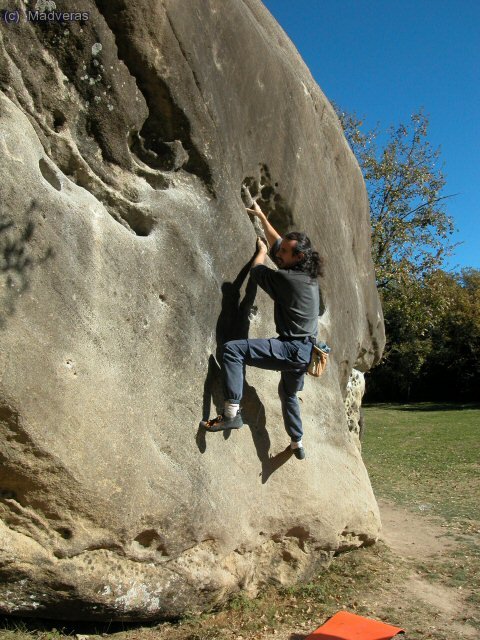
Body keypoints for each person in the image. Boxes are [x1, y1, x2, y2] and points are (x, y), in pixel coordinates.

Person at [201, 202, 323, 460]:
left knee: (232, 351)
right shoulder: (309, 278)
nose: (278, 255)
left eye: (284, 254)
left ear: (298, 257)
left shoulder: (287, 279)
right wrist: (262, 217)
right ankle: (297, 441)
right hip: (305, 352)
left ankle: (231, 414)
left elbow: (257, 271)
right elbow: (280, 243)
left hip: (290, 349)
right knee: (288, 393)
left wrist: (261, 251)